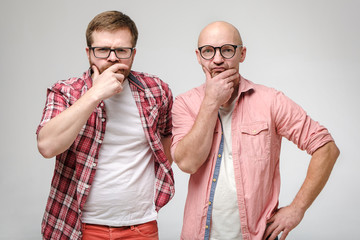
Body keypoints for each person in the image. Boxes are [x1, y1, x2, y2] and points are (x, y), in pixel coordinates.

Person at [171, 21, 340, 240]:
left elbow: (326, 148)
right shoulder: (185, 103)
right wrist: (211, 102)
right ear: (198, 56)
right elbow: (187, 163)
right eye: (208, 51)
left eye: (227, 49)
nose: (218, 58)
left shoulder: (270, 101)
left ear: (242, 54)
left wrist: (297, 209)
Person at [36, 11, 174, 240]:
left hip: (140, 226)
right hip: (79, 226)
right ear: (89, 53)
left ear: (133, 53)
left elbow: (166, 142)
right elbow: (47, 146)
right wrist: (95, 94)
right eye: (102, 50)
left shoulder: (156, 90)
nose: (112, 58)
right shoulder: (65, 92)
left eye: (121, 50)